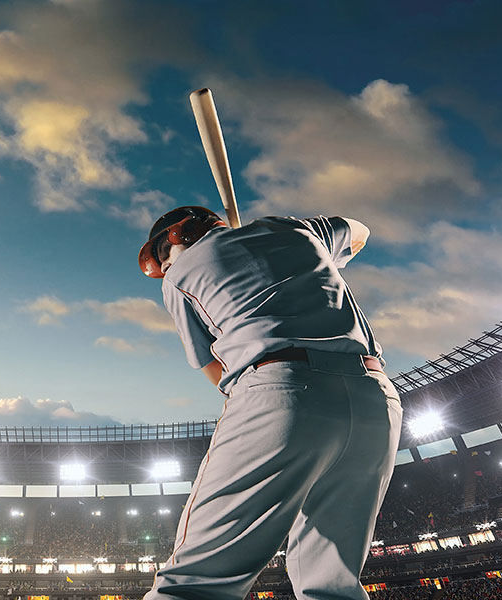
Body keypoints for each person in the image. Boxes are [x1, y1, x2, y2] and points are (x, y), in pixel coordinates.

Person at [138, 206, 402, 600]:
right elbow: (360, 231)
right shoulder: (297, 229)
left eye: (163, 255)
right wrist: (294, 248)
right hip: (377, 400)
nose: (164, 265)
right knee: (332, 586)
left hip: (283, 390)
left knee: (196, 582)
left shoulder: (179, 275)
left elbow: (216, 368)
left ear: (177, 236)